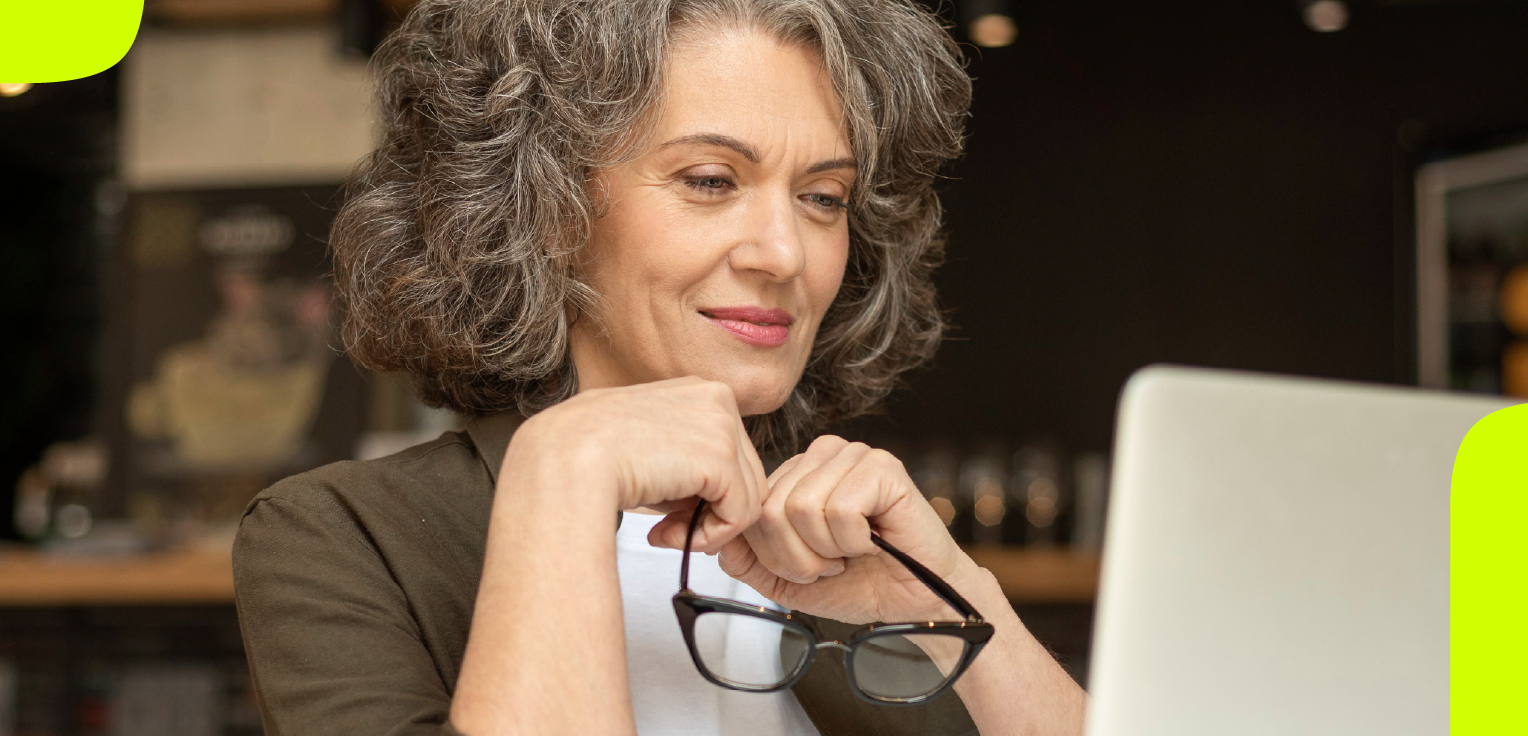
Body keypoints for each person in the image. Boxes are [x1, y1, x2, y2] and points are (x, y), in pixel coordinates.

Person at [228, 1, 1089, 734]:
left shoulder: (857, 548)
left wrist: (956, 605)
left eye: (823, 197)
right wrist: (564, 474)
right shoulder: (337, 537)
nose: (785, 252)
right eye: (712, 180)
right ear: (547, 205)